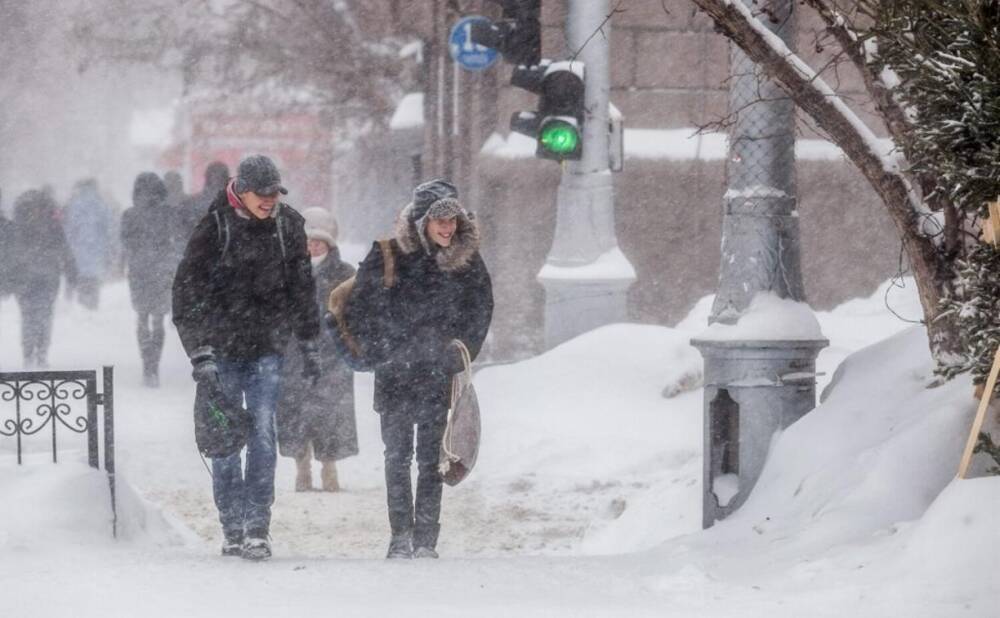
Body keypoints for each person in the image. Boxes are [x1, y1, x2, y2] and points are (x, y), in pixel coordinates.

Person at [172, 154, 320, 561]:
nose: (270, 201)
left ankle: (257, 524)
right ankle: (231, 524)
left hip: (267, 350)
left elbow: (302, 288)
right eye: (263, 194)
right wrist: (200, 352)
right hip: (220, 351)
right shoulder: (214, 227)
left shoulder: (289, 226)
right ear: (241, 190)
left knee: (262, 436)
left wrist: (308, 341)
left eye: (275, 193)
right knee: (224, 441)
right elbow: (187, 294)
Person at [345, 179, 493, 559]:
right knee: (396, 456)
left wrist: (462, 352)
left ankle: (426, 538)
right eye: (439, 220)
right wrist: (384, 348)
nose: (447, 228)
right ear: (420, 222)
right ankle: (400, 535)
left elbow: (481, 309)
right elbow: (360, 308)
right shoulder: (388, 254)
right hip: (395, 373)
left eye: (453, 220)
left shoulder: (466, 260)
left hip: (435, 374)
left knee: (432, 457)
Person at [277, 207, 358, 492]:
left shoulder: (345, 274)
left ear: (329, 245)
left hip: (332, 354)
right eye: (308, 242)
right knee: (295, 410)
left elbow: (356, 312)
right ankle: (302, 466)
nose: (312, 247)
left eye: (318, 242)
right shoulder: (286, 273)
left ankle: (329, 466)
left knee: (330, 411)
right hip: (294, 352)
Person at [120, 173, 178, 387]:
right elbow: (175, 241)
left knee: (142, 317)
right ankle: (155, 365)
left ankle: (146, 363)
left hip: (139, 271)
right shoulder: (168, 214)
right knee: (159, 319)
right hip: (161, 271)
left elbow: (125, 242)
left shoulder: (129, 215)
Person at [9, 189, 76, 368]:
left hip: (25, 278)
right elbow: (65, 251)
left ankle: (29, 352)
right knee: (44, 316)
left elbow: (10, 254)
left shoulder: (19, 226)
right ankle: (41, 352)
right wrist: (71, 273)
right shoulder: (53, 226)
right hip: (48, 276)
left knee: (28, 316)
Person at [63, 178, 113, 309]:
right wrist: (108, 246)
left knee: (82, 277)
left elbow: (69, 228)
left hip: (79, 249)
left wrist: (69, 245)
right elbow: (108, 228)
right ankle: (92, 304)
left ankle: (83, 303)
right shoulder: (101, 203)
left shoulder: (75, 203)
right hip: (97, 249)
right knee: (93, 278)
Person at [177, 161, 230, 243]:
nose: (216, 179)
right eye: (214, 176)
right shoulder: (193, 202)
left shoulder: (192, 202)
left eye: (219, 176)